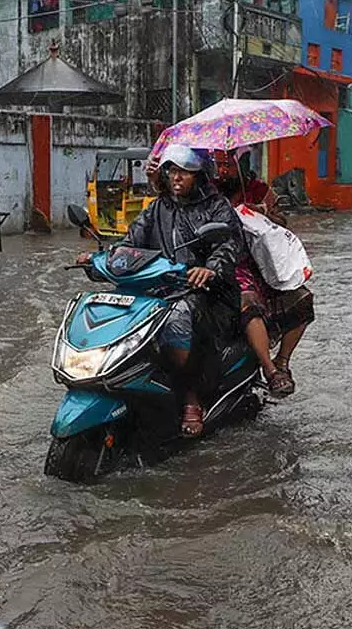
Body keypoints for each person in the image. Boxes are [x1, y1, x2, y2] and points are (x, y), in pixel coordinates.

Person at [76, 144, 244, 438]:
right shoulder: (157, 208)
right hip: (159, 286)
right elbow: (132, 242)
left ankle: (191, 396)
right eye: (172, 171)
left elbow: (230, 243)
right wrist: (102, 259)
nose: (177, 178)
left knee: (179, 317)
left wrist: (210, 268)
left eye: (185, 172)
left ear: (200, 175)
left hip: (208, 292)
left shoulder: (217, 207)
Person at [215, 154, 315, 397]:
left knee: (303, 300)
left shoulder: (258, 190)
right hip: (227, 262)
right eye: (219, 166)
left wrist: (262, 212)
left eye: (228, 165)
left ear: (239, 164)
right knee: (249, 303)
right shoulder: (207, 192)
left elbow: (282, 222)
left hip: (262, 264)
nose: (223, 171)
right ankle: (270, 371)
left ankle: (282, 361)